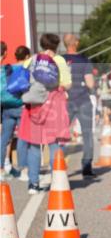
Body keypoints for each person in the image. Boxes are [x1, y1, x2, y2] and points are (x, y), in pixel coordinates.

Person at [17, 34, 70, 194]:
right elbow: (67, 84)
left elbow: (23, 80)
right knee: (54, 145)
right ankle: (56, 182)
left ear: (41, 44)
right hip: (53, 105)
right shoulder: (59, 61)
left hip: (34, 106)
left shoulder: (31, 60)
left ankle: (33, 184)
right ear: (56, 46)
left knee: (34, 146)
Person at [61, 34, 96, 177]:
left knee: (60, 134)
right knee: (87, 135)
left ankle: (57, 165)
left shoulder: (60, 60)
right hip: (83, 101)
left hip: (65, 102)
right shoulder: (84, 60)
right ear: (75, 43)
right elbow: (90, 83)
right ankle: (86, 168)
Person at [1, 43, 27, 179]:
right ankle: (23, 169)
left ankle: (1, 170)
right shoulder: (22, 69)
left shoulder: (6, 68)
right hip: (19, 106)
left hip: (5, 107)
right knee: (22, 137)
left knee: (4, 138)